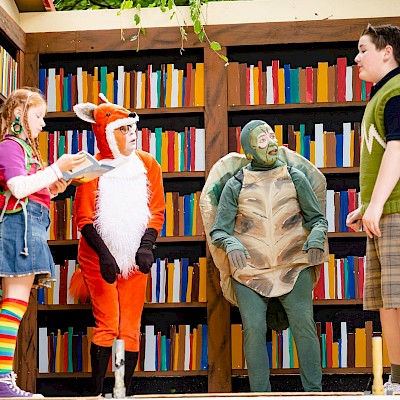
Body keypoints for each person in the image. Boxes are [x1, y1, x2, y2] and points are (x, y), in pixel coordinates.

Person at [203, 120, 328, 392]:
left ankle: (314, 393)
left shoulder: (295, 177)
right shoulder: (235, 185)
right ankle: (260, 394)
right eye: (262, 140)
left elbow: (317, 218)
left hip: (293, 264)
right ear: (249, 151)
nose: (271, 143)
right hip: (250, 270)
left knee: (304, 324)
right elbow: (219, 230)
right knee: (253, 328)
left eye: (271, 136)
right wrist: (231, 243)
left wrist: (317, 236)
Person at [70, 95, 165, 396]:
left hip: (135, 258)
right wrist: (105, 256)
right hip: (99, 258)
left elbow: (157, 210)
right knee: (108, 323)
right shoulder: (93, 169)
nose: (131, 134)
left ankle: (122, 390)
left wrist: (146, 246)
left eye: (131, 128)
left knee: (130, 328)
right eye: (122, 129)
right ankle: (96, 392)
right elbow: (84, 220)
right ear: (107, 135)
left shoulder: (148, 164)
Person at [0, 87, 86, 398]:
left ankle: (3, 379)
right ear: (19, 113)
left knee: (15, 305)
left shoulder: (22, 149)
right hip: (18, 229)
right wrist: (56, 168)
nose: (43, 123)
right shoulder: (11, 146)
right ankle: (2, 381)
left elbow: (29, 190)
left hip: (26, 227)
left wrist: (52, 187)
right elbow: (18, 188)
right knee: (14, 305)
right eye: (38, 116)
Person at [346, 24, 400, 395]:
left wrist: (377, 205)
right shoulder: (381, 95)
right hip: (384, 213)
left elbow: (398, 149)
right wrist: (367, 206)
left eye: (364, 49)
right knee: (388, 303)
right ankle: (397, 380)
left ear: (387, 51)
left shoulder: (396, 92)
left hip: (395, 212)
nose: (357, 58)